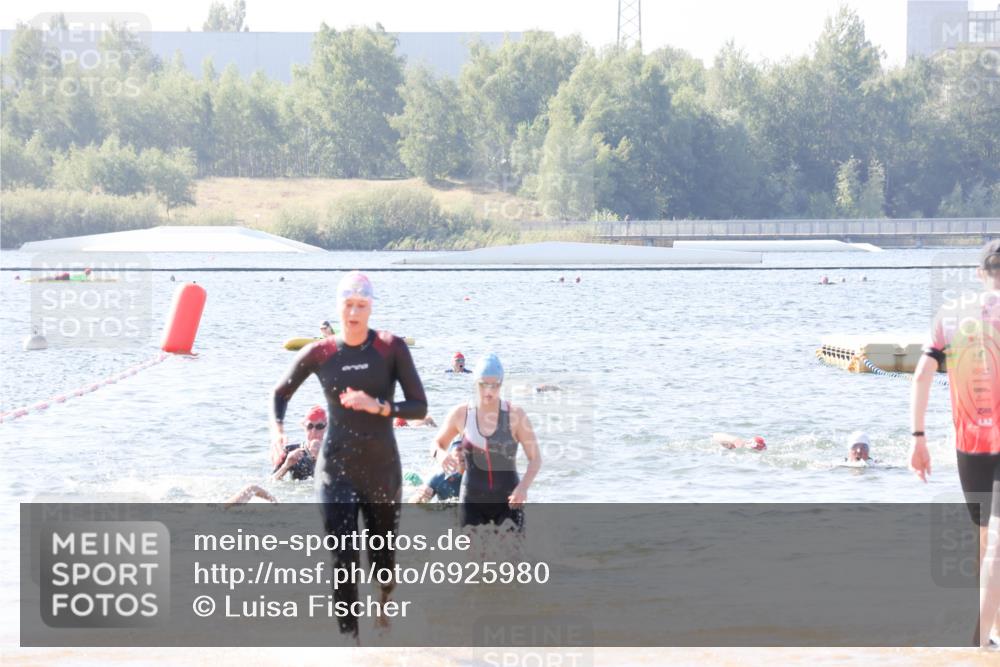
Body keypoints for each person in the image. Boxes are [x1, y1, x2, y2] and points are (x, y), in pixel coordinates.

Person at [271, 270, 427, 640]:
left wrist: (380, 407)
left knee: (382, 567)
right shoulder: (321, 352)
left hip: (382, 472)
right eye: (348, 305)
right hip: (335, 472)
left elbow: (419, 407)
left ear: (370, 308)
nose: (354, 312)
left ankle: (383, 606)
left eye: (361, 305)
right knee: (343, 561)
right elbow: (280, 393)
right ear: (339, 307)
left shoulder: (390, 348)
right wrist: (276, 430)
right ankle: (349, 642)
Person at [911, 240, 1000, 647]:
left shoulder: (950, 314)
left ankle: (986, 631)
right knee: (995, 543)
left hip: (969, 446)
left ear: (980, 273)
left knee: (986, 538)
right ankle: (979, 643)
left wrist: (919, 439)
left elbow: (922, 375)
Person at [435, 353, 542, 531]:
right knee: (471, 557)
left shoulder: (516, 415)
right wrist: (441, 455)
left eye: (494, 385)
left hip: (509, 501)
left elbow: (535, 458)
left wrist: (523, 488)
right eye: (483, 384)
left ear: (501, 384)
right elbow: (437, 444)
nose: (488, 391)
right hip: (471, 501)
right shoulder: (461, 413)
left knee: (512, 558)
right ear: (475, 383)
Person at [272, 405, 326, 481]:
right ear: (304, 427)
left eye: (319, 426)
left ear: (326, 428)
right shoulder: (290, 451)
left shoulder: (336, 452)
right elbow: (272, 481)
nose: (314, 431)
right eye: (310, 426)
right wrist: (286, 465)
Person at [409, 439, 464, 504]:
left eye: (469, 449)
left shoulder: (478, 475)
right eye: (459, 449)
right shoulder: (440, 477)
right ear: (450, 455)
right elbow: (411, 504)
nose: (464, 453)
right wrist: (420, 497)